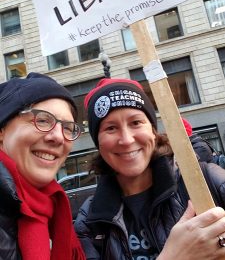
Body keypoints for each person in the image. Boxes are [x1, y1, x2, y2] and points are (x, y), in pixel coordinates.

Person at [75, 77, 225, 260]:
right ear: (98, 142)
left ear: (153, 131)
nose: (127, 139)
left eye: (136, 123)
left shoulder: (209, 180)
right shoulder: (90, 220)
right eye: (111, 128)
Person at [0, 73, 86, 260]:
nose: (58, 137)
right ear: (2, 131)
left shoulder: (51, 209)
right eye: (42, 120)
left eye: (67, 128)